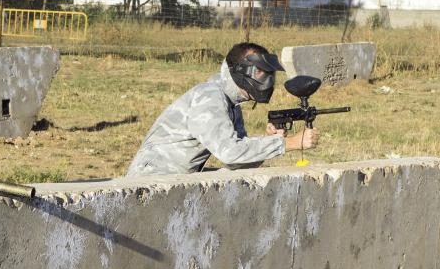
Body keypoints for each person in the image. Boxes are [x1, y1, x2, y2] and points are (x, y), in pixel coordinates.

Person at [126, 42, 320, 176]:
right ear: (241, 71)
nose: (268, 81)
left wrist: (267, 140)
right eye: (261, 73)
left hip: (177, 177)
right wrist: (290, 143)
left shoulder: (231, 104)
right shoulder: (210, 96)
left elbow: (237, 162)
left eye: (270, 75)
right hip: (150, 179)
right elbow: (230, 153)